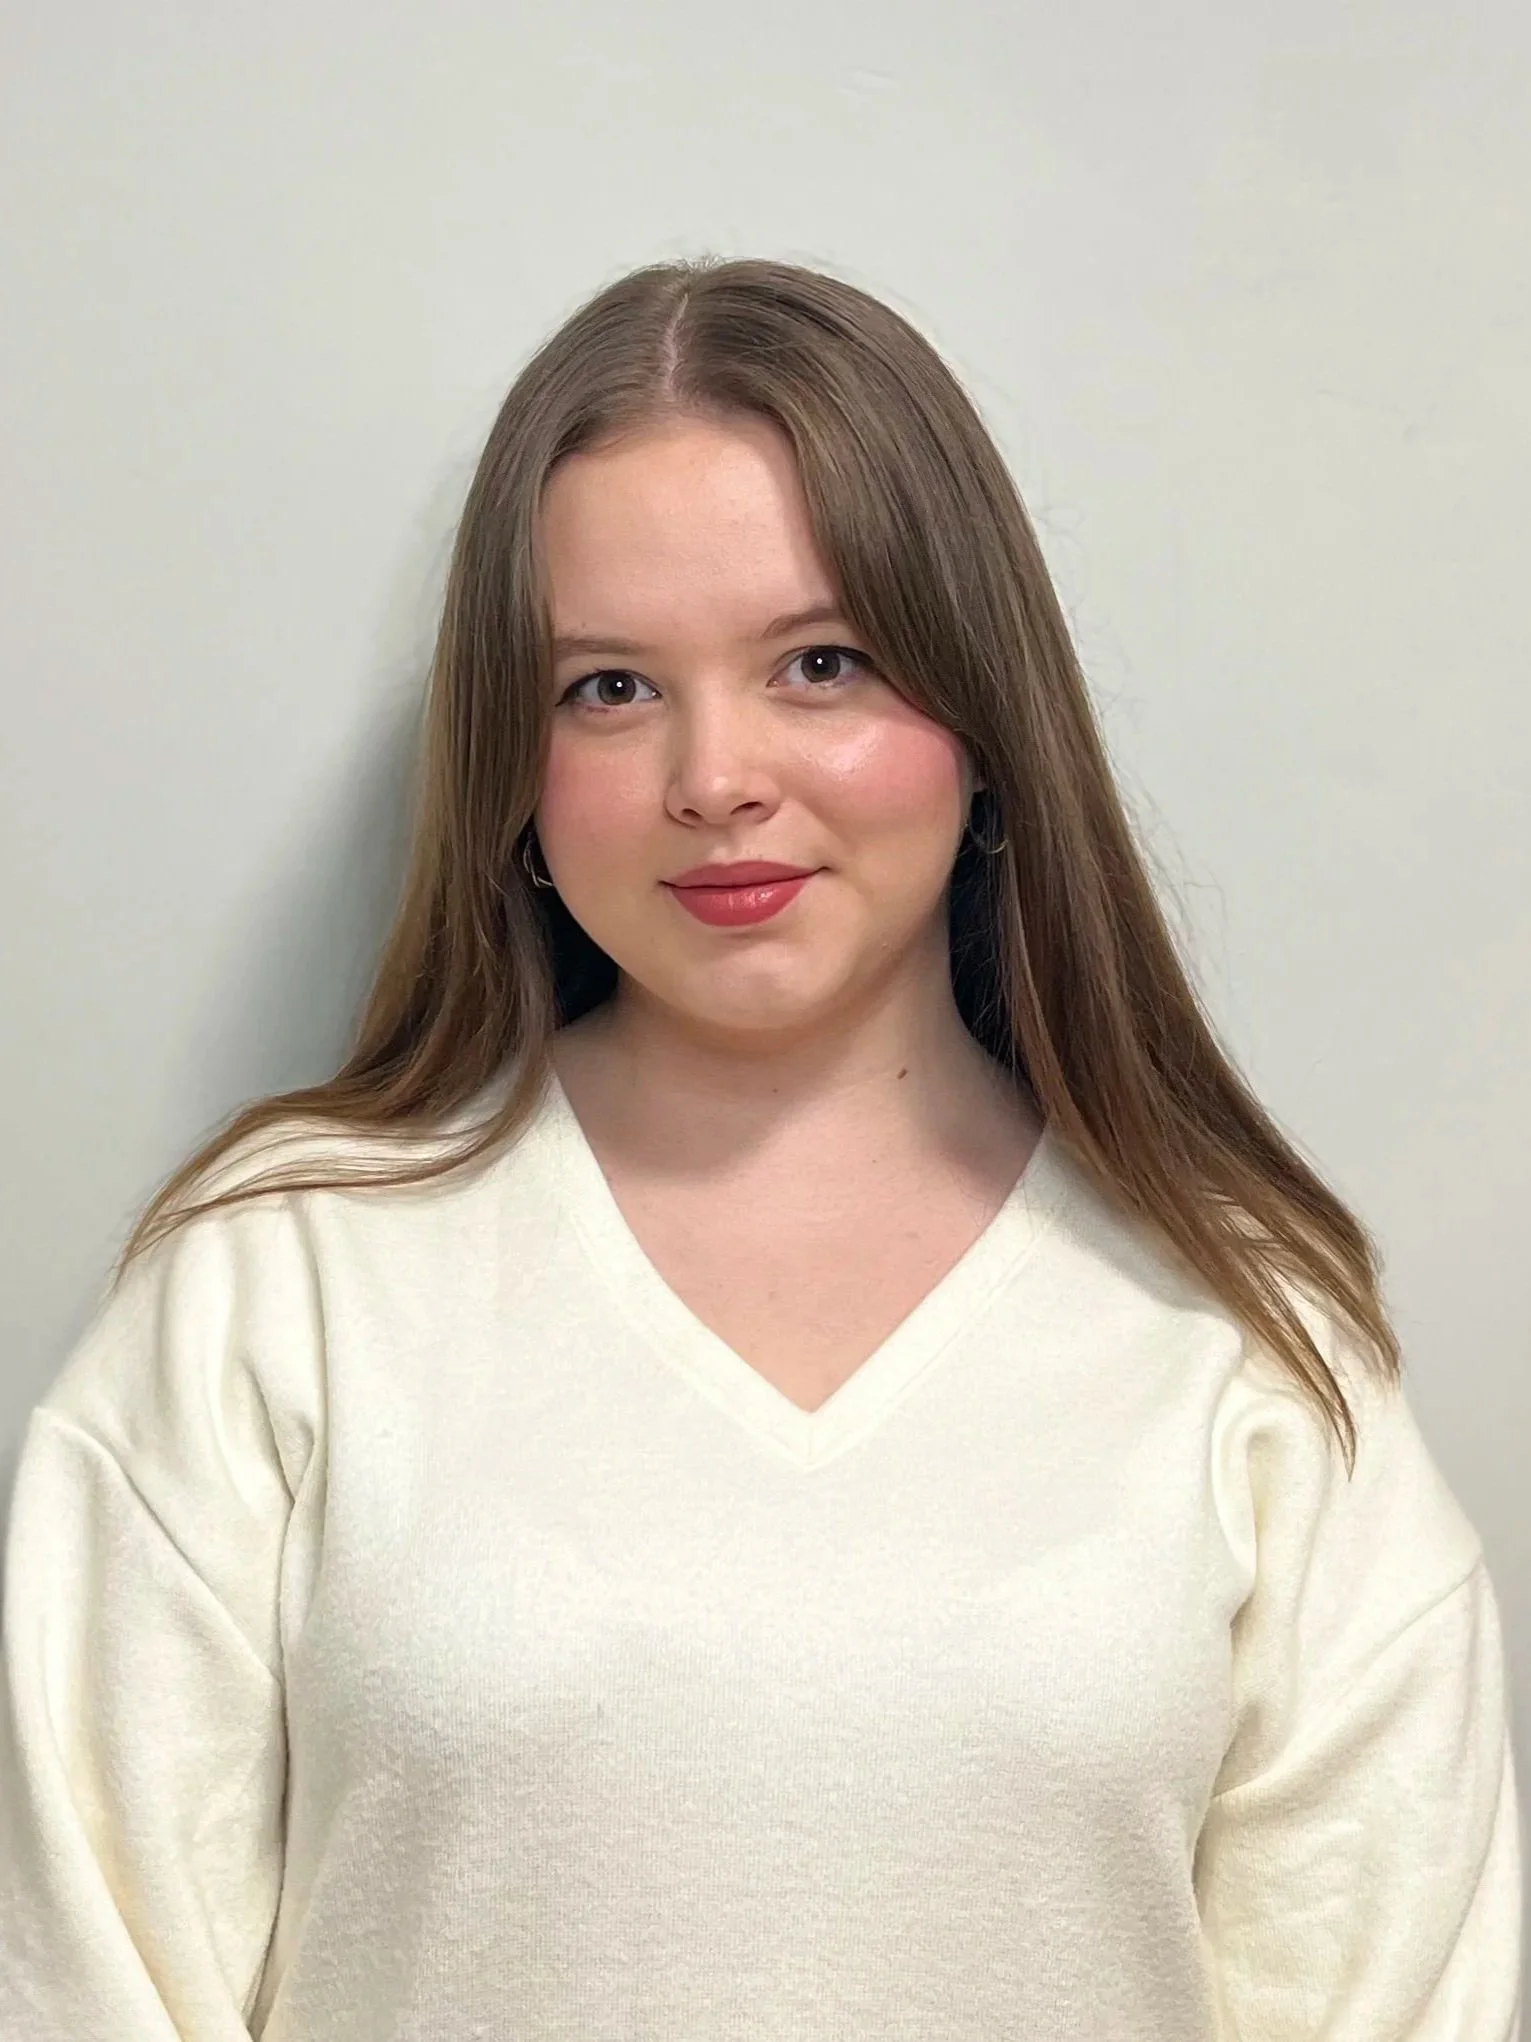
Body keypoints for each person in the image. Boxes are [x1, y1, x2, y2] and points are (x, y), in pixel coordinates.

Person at [0, 255, 1521, 2041]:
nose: (714, 774)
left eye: (821, 661)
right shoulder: (275, 1282)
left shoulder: (1245, 1339)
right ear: (512, 759)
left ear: (985, 723)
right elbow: (83, 1979)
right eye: (608, 688)